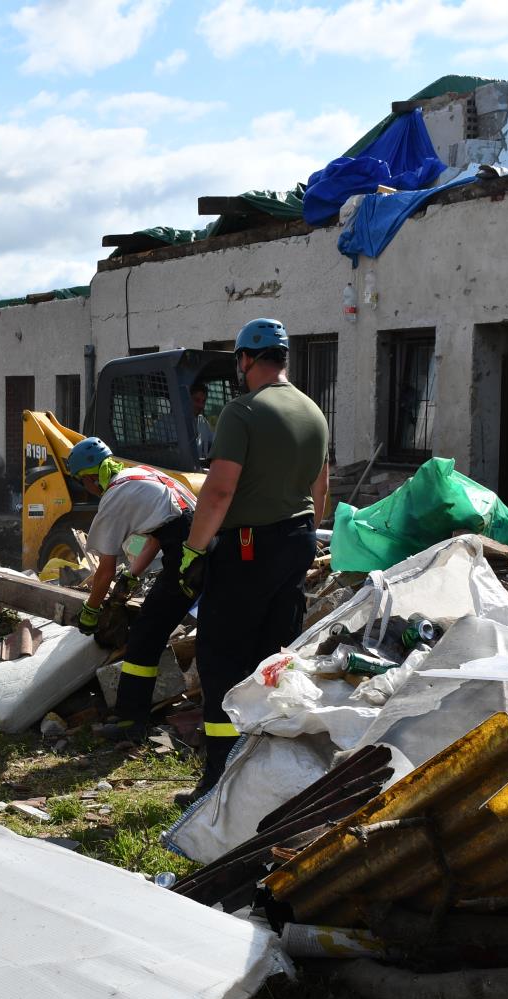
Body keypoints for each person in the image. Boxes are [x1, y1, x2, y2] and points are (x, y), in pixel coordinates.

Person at [177, 318, 329, 798]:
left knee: (222, 658)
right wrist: (303, 534)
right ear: (283, 359)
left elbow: (219, 491)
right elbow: (320, 488)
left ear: (245, 360)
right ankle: (273, 776)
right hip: (299, 540)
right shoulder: (313, 412)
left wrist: (193, 551)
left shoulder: (242, 413)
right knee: (275, 659)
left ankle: (220, 785)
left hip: (247, 548)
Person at [66, 437, 198, 741]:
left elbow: (104, 570)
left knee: (144, 635)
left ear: (88, 477)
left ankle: (130, 723)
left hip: (185, 555)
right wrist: (134, 575)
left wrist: (90, 611)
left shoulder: (114, 496)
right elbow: (157, 533)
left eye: (81, 482)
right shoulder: (144, 475)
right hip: (205, 546)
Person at [191, 381, 215, 461]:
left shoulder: (202, 421)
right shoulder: (166, 422)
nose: (201, 405)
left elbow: (214, 442)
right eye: (196, 400)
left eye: (203, 401)